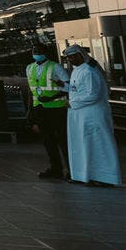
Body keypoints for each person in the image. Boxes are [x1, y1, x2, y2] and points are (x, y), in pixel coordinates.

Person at [63, 46, 121, 186]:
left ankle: (106, 178)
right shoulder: (77, 70)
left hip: (93, 114)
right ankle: (83, 175)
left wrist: (72, 102)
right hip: (80, 114)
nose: (70, 60)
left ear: (81, 55)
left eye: (73, 57)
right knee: (83, 145)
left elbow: (93, 95)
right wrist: (64, 88)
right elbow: (76, 89)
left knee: (100, 145)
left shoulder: (89, 70)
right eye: (68, 58)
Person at [26, 48, 71, 180]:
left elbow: (68, 87)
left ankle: (71, 169)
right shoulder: (29, 68)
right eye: (34, 51)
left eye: (39, 50)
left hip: (57, 108)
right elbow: (31, 90)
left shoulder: (56, 67)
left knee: (63, 140)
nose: (36, 53)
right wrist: (30, 111)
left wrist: (51, 98)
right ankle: (55, 168)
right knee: (48, 140)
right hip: (39, 108)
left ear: (46, 52)